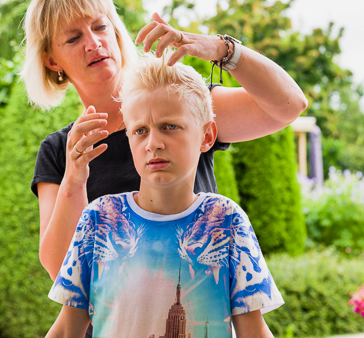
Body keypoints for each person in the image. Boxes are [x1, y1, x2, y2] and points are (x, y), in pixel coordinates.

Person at [24, 0, 308, 280]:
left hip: (201, 318)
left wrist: (223, 49)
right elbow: (59, 268)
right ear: (51, 60)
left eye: (100, 27)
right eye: (73, 38)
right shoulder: (60, 150)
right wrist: (74, 178)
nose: (93, 43)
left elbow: (290, 105)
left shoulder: (181, 101)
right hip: (109, 326)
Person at [45, 55, 282, 337]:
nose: (153, 144)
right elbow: (64, 331)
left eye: (170, 126)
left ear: (207, 136)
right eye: (140, 131)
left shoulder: (226, 221)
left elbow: (254, 332)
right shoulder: (98, 220)